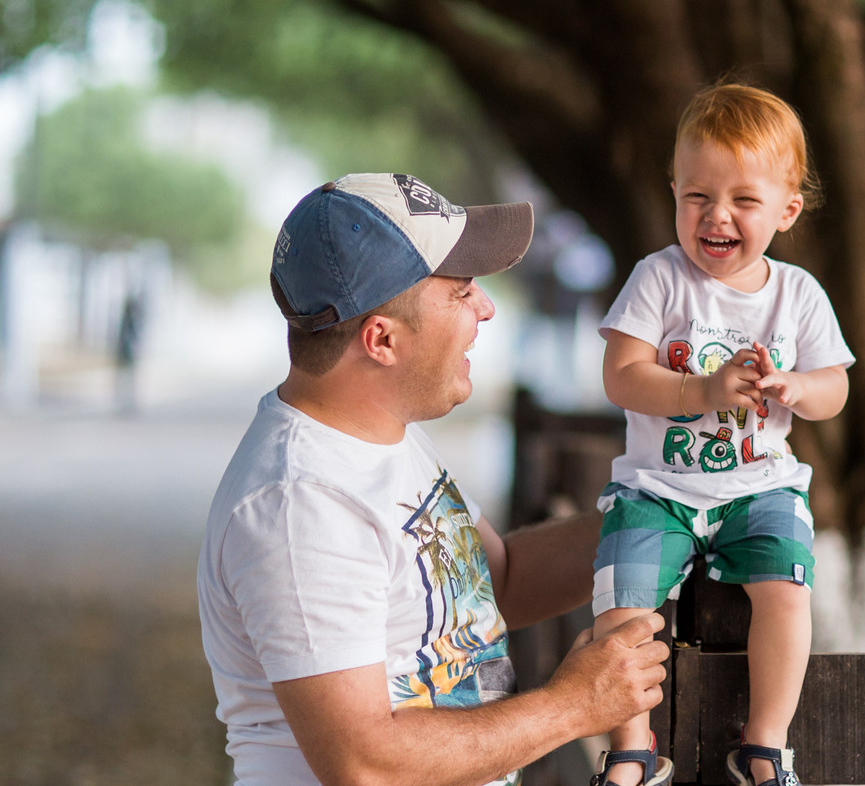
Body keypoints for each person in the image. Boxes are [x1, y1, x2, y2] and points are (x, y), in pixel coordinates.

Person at [197, 173, 669, 786]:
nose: (486, 307)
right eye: (461, 291)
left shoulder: (380, 436)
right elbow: (364, 764)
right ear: (382, 340)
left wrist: (655, 518)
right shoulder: (299, 505)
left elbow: (496, 583)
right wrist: (573, 706)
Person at [589, 84, 855, 786]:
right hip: (657, 489)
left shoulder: (797, 295)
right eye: (697, 196)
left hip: (760, 486)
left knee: (787, 590)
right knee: (625, 604)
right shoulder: (659, 278)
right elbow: (621, 375)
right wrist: (701, 391)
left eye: (744, 199)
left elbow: (837, 386)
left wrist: (799, 387)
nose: (717, 215)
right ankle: (631, 749)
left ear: (787, 210)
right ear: (674, 191)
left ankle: (765, 742)